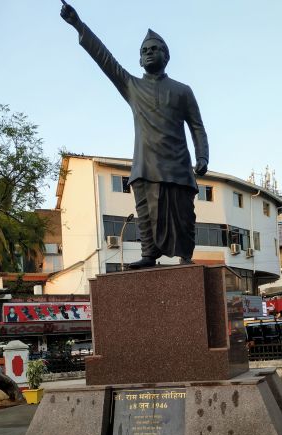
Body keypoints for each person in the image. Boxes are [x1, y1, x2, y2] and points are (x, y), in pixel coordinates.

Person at [60, 3, 209, 268]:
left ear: (166, 55)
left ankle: (186, 257)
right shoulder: (132, 85)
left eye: (155, 49)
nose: (150, 53)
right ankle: (149, 255)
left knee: (184, 216)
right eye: (145, 51)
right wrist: (79, 25)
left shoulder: (183, 90)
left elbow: (197, 126)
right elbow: (105, 59)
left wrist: (202, 156)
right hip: (145, 165)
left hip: (177, 166)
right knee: (145, 215)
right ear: (140, 60)